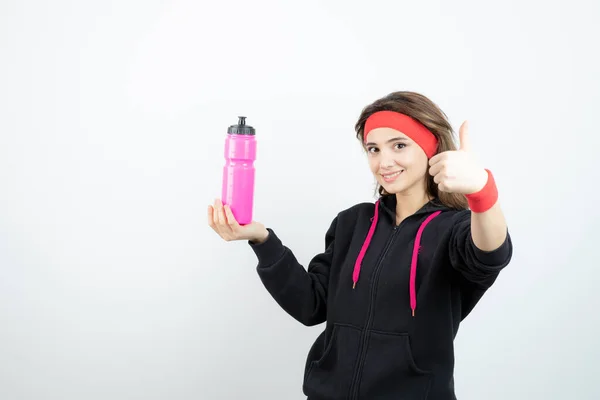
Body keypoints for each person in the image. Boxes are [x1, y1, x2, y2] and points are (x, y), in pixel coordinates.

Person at [208, 91, 513, 400]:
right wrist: (263, 240)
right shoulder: (352, 223)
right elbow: (311, 304)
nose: (384, 161)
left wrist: (481, 191)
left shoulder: (457, 228)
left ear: (431, 146)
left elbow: (491, 252)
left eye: (399, 145)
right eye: (373, 149)